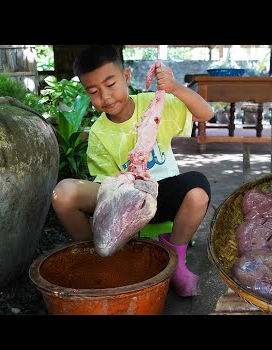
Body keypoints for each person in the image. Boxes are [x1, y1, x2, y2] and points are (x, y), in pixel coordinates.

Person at [51, 45, 214, 297]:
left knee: (197, 186)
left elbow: (206, 113)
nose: (105, 97)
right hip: (122, 202)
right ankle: (97, 256)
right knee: (64, 193)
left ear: (126, 77)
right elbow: (105, 190)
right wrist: (126, 181)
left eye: (110, 84)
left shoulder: (154, 104)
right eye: (93, 92)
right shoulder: (98, 132)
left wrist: (174, 88)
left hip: (161, 197)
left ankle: (177, 262)